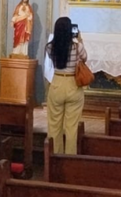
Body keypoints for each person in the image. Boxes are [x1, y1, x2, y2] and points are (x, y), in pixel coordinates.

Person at [45, 17, 87, 154]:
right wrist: (80, 40)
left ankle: (55, 157)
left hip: (57, 82)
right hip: (73, 84)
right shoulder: (77, 46)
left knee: (54, 125)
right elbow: (85, 58)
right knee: (71, 127)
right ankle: (70, 158)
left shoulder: (50, 46)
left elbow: (53, 58)